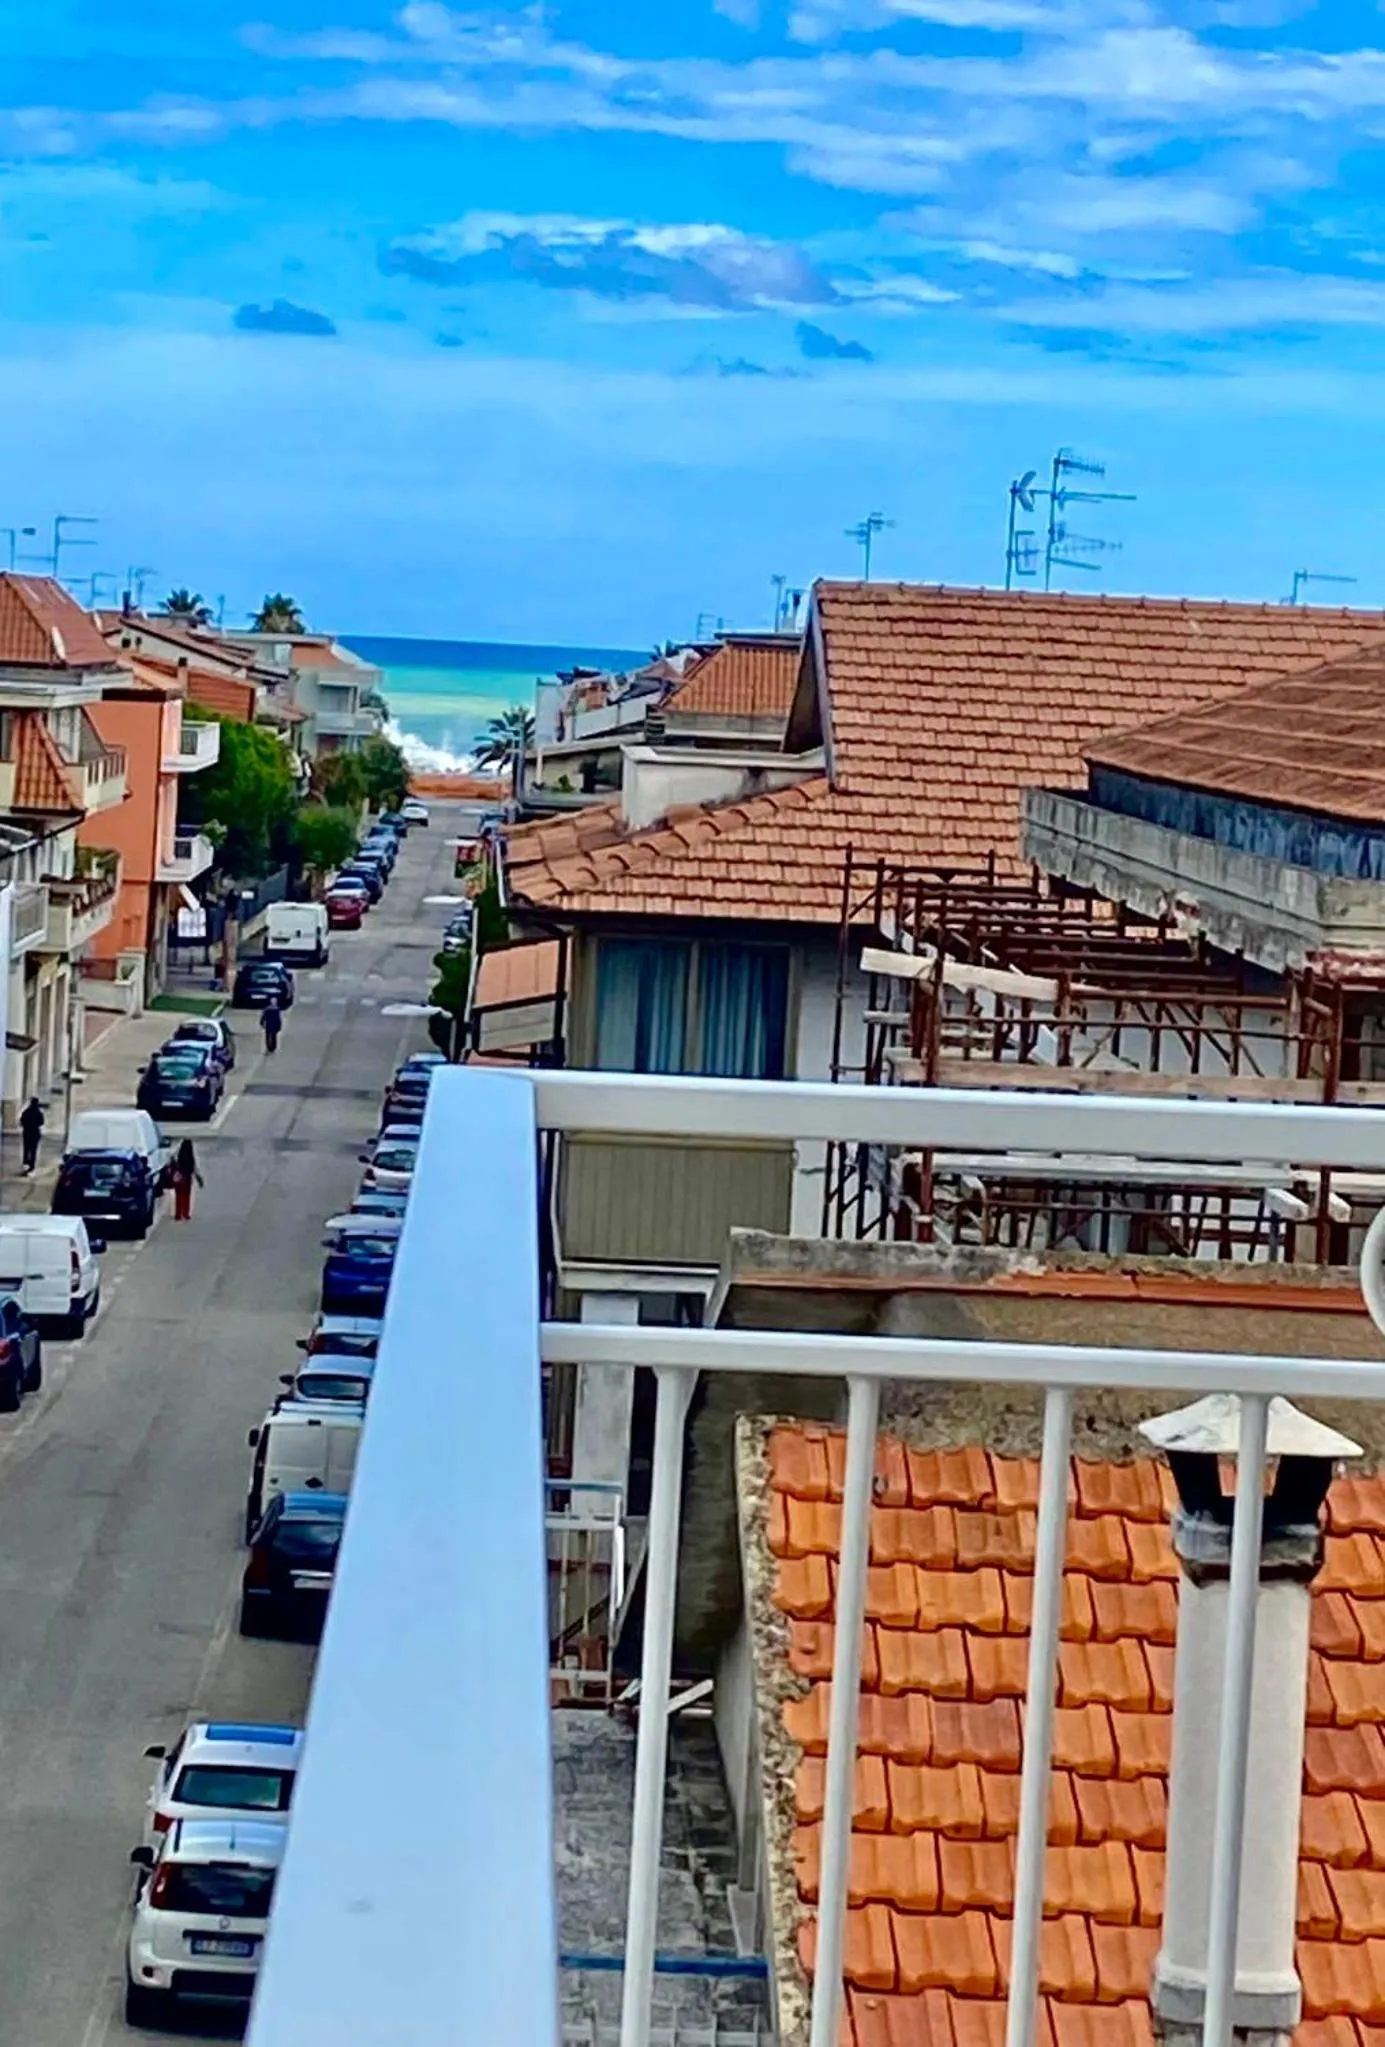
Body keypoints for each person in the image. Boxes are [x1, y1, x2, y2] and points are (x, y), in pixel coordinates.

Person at [169, 1137, 203, 1223]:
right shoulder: (191, 1158)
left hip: (178, 1177)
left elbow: (172, 1156)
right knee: (186, 1196)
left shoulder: (179, 1157)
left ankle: (178, 1214)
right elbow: (196, 1168)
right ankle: (186, 1214)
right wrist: (199, 1178)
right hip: (187, 1177)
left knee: (178, 1196)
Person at [18, 1096, 44, 1177]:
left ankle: (26, 1163)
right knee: (33, 1151)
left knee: (26, 1149)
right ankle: (32, 1167)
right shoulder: (39, 1112)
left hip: (27, 1133)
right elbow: (41, 1122)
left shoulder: (26, 1112)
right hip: (35, 1134)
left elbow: (21, 1121)